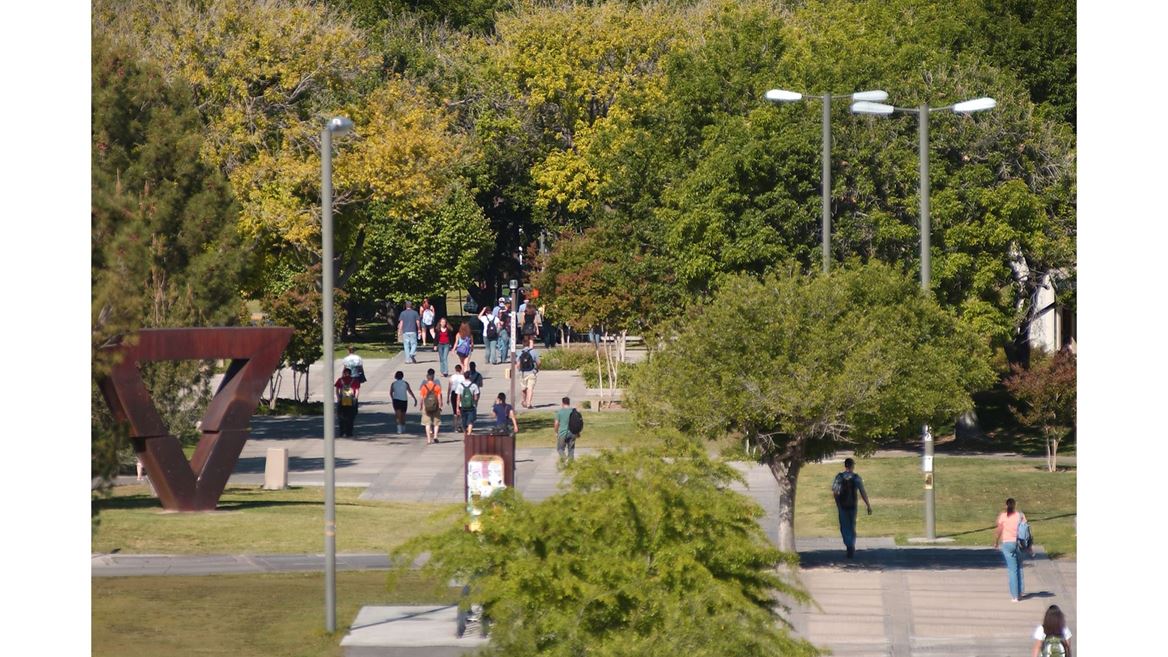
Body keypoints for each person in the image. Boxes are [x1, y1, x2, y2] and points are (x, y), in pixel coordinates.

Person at [832, 458, 872, 559]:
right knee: (852, 525)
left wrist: (838, 504)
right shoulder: (856, 478)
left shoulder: (839, 477)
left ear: (845, 466)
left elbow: (835, 492)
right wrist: (868, 505)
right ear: (852, 466)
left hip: (842, 506)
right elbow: (862, 492)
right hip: (853, 506)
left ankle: (849, 545)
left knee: (844, 526)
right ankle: (851, 544)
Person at [993, 497, 1028, 601]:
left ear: (1006, 505)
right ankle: (1020, 592)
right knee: (1019, 567)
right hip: (1019, 543)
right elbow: (1025, 528)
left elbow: (999, 530)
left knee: (1012, 570)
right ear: (1015, 505)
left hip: (1007, 543)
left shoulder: (1003, 516)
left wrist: (996, 541)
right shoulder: (1020, 515)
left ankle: (1015, 596)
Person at [418, 369, 443, 445]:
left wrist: (421, 405)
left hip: (426, 406)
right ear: (433, 378)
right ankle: (435, 436)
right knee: (436, 422)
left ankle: (429, 439)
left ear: (427, 378)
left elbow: (421, 397)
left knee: (427, 423)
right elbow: (439, 397)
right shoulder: (437, 387)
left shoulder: (423, 387)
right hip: (435, 405)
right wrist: (441, 404)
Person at [334, 367, 360, 437]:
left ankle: (342, 432)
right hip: (351, 400)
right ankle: (349, 432)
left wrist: (338, 398)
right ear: (350, 373)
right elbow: (357, 391)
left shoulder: (340, 380)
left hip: (342, 400)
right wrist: (355, 399)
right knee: (351, 417)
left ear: (344, 373)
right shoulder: (354, 380)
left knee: (341, 417)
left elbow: (337, 391)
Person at [552, 397, 579, 463]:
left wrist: (556, 432)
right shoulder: (574, 411)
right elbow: (577, 422)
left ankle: (565, 458)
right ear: (569, 403)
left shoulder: (560, 412)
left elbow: (556, 424)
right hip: (573, 433)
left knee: (560, 449)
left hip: (562, 433)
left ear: (562, 403)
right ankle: (571, 464)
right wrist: (577, 432)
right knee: (571, 449)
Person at [389, 370, 417, 435]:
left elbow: (391, 392)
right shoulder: (405, 383)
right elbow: (410, 391)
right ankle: (403, 428)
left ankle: (399, 429)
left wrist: (392, 398)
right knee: (403, 415)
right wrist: (414, 398)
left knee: (398, 415)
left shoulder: (393, 384)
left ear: (396, 376)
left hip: (396, 400)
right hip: (404, 400)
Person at [456, 369, 480, 438]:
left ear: (464, 376)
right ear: (470, 376)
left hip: (463, 406)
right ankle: (469, 433)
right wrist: (475, 403)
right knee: (470, 420)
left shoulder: (460, 385)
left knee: (464, 420)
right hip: (471, 406)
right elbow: (476, 397)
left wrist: (457, 408)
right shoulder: (474, 385)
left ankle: (465, 433)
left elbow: (458, 398)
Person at [518, 336, 540, 408]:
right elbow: (539, 362)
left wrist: (519, 370)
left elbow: (517, 364)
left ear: (523, 344)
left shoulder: (520, 353)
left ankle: (524, 401)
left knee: (524, 389)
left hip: (523, 373)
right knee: (530, 388)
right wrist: (536, 369)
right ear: (529, 344)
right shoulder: (533, 352)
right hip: (531, 372)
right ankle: (528, 403)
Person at [449, 365, 467, 434]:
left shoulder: (452, 377)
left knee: (455, 412)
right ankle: (461, 426)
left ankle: (455, 427)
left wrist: (448, 397)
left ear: (455, 369)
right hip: (461, 394)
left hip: (453, 394)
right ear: (461, 369)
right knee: (461, 410)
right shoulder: (463, 377)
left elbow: (449, 387)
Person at [495, 302, 511, 367]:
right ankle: (503, 358)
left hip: (502, 329)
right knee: (505, 344)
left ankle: (501, 357)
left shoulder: (502, 313)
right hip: (506, 330)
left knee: (502, 344)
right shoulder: (508, 314)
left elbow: (500, 322)